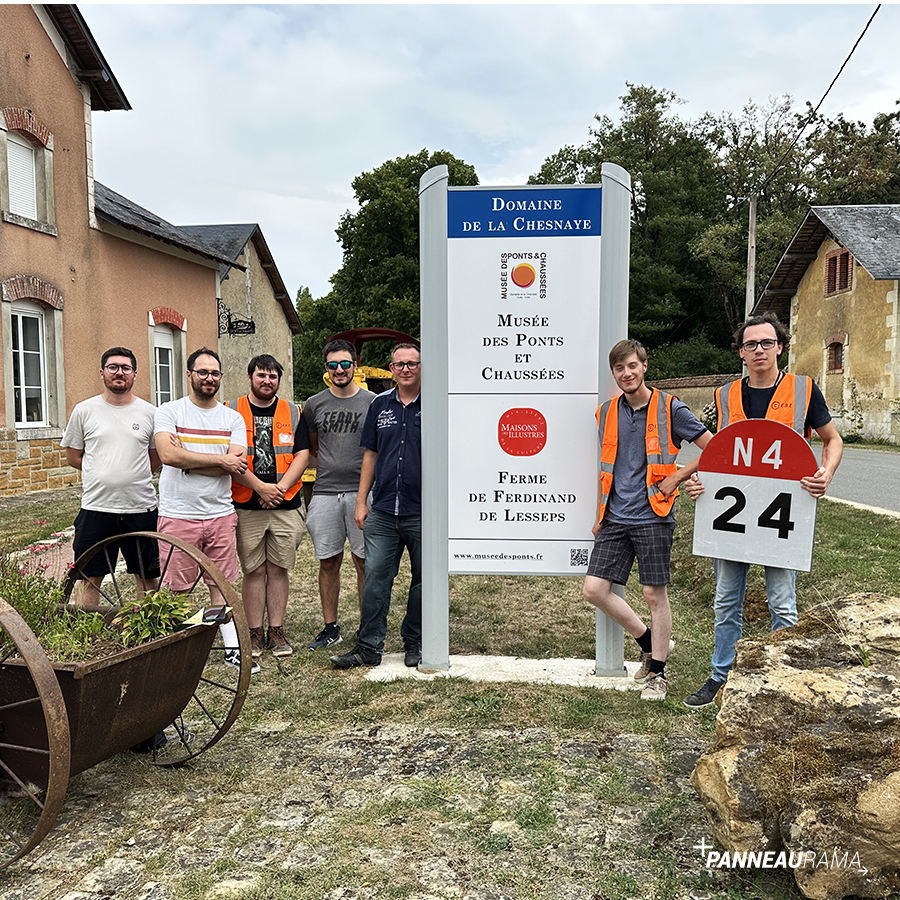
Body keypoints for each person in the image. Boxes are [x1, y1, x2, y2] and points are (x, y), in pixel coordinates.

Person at [683, 312, 843, 708]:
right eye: (751, 344)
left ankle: (782, 680)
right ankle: (721, 676)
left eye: (766, 343)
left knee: (782, 601)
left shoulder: (805, 390)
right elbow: (718, 454)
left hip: (781, 517)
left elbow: (832, 439)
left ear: (780, 347)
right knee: (726, 601)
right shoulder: (724, 395)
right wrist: (699, 482)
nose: (759, 350)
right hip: (732, 519)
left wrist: (827, 472)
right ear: (741, 351)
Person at [582, 339, 712, 701]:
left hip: (653, 514)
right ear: (615, 374)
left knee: (655, 594)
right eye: (619, 368)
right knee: (594, 590)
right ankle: (649, 642)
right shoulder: (606, 412)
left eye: (632, 366)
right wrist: (601, 515)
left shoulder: (671, 408)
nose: (627, 373)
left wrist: (678, 476)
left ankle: (657, 673)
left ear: (645, 366)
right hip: (614, 516)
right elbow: (612, 466)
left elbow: (714, 446)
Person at [153, 347, 255, 673]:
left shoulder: (232, 418)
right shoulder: (170, 412)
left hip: (220, 514)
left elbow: (237, 465)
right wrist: (220, 460)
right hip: (178, 514)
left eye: (214, 373)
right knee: (176, 588)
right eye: (202, 372)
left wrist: (192, 460)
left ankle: (232, 650)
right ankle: (177, 650)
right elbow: (169, 456)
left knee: (221, 585)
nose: (209, 378)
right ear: (189, 375)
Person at [331, 343, 422, 669]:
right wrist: (360, 501)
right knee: (375, 578)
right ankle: (369, 647)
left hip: (423, 512)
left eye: (412, 363)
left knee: (424, 581)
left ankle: (417, 640)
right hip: (383, 509)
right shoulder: (380, 405)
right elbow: (370, 454)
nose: (406, 369)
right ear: (391, 368)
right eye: (400, 364)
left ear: (421, 366)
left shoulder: (435, 404)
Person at [61, 347, 161, 605]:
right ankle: (88, 638)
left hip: (140, 508)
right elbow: (74, 456)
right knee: (89, 577)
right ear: (102, 372)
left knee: (147, 577)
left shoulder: (150, 413)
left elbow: (155, 457)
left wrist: (129, 475)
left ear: (135, 375)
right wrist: (102, 473)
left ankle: (148, 634)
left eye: (125, 368)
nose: (119, 372)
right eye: (113, 367)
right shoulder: (84, 410)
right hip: (96, 508)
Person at [225, 354, 309, 659]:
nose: (267, 381)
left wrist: (280, 488)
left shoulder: (293, 411)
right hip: (246, 503)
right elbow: (229, 457)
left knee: (278, 568)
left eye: (273, 376)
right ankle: (254, 633)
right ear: (250, 378)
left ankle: (276, 631)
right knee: (254, 569)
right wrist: (260, 487)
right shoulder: (230, 410)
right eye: (261, 375)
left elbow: (302, 454)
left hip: (285, 504)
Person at [301, 339, 374, 651]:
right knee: (328, 561)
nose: (339, 370)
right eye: (333, 365)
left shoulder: (373, 402)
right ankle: (330, 627)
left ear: (355, 367)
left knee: (364, 562)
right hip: (326, 491)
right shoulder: (314, 404)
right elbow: (313, 446)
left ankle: (367, 627)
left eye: (345, 364)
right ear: (326, 369)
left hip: (364, 492)